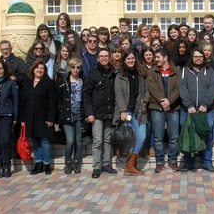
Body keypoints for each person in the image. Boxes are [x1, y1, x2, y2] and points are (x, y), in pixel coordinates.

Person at [179, 48, 214, 172]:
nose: (198, 59)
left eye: (200, 56)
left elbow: (213, 87)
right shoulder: (185, 71)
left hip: (206, 108)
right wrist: (189, 105)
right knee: (188, 133)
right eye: (196, 56)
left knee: (208, 131)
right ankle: (189, 162)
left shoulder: (209, 71)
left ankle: (207, 162)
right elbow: (182, 87)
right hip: (188, 108)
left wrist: (205, 104)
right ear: (192, 57)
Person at [83, 48, 118, 179]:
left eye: (106, 56)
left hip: (109, 112)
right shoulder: (92, 74)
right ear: (98, 59)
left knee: (107, 140)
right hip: (96, 113)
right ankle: (96, 166)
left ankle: (106, 164)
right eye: (101, 56)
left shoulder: (114, 73)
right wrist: (89, 113)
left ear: (109, 58)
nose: (104, 58)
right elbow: (86, 94)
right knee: (97, 141)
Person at [147, 49, 181, 173]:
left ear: (165, 57)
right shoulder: (152, 71)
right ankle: (159, 162)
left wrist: (169, 101)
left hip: (173, 108)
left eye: (157, 57)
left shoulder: (176, 71)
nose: (155, 59)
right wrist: (163, 101)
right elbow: (152, 87)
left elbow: (178, 88)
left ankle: (172, 161)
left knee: (173, 137)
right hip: (157, 107)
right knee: (158, 137)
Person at [114, 51, 148, 175]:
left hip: (139, 111)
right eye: (128, 58)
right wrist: (122, 110)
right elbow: (118, 94)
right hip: (126, 111)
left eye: (132, 58)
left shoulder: (140, 74)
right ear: (124, 60)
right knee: (129, 138)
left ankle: (130, 165)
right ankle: (130, 165)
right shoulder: (120, 75)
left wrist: (144, 102)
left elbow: (146, 90)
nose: (130, 60)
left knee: (141, 137)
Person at [21, 59, 56, 175]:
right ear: (33, 69)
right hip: (30, 116)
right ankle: (38, 164)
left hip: (44, 117)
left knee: (44, 141)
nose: (39, 70)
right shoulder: (27, 82)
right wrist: (23, 119)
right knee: (35, 141)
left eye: (42, 68)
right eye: (38, 68)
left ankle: (46, 164)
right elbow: (23, 101)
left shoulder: (49, 82)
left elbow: (52, 102)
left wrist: (51, 118)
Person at [57, 58, 84, 175]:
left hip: (79, 114)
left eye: (78, 67)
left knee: (79, 140)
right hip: (67, 115)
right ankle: (68, 162)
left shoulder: (83, 80)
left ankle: (76, 162)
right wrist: (59, 113)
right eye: (73, 67)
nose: (76, 69)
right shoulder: (63, 81)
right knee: (70, 140)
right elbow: (58, 99)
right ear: (69, 67)